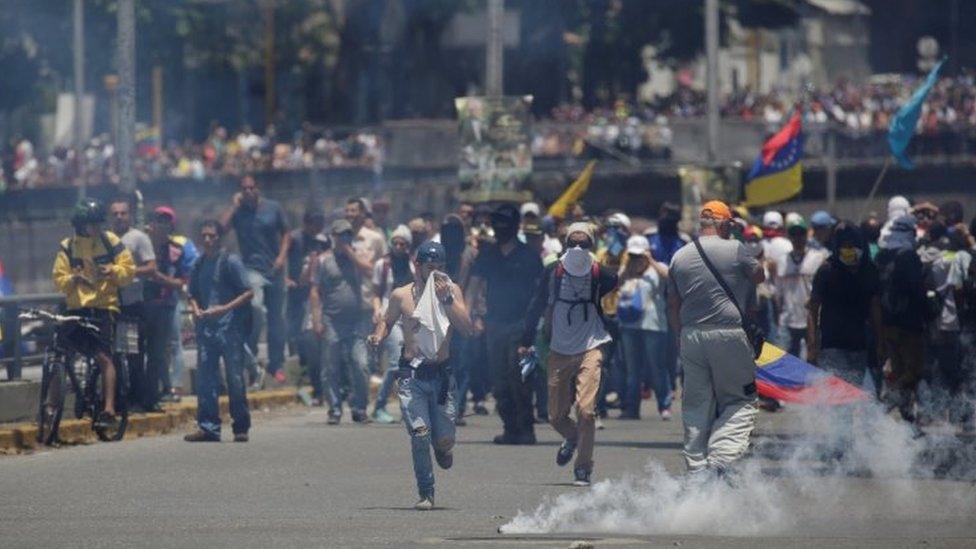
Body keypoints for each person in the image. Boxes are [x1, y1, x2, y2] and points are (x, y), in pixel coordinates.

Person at [367, 241, 474, 511]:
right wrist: (377, 337)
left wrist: (447, 300)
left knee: (443, 439)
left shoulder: (452, 292)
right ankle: (426, 492)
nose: (435, 273)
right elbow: (387, 321)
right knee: (420, 434)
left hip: (441, 378)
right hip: (412, 376)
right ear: (418, 266)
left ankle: (443, 447)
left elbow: (466, 328)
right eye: (430, 267)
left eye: (440, 268)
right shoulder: (402, 295)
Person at [667, 200, 764, 476]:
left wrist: (679, 337)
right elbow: (759, 275)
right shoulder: (735, 248)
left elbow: (672, 304)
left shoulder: (679, 256)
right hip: (729, 334)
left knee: (696, 404)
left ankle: (697, 471)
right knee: (740, 400)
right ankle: (721, 458)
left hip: (691, 335)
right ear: (723, 223)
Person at [520, 222, 617, 486]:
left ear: (591, 245)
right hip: (560, 346)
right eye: (572, 243)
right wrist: (526, 338)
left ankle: (583, 467)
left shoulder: (599, 272)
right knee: (555, 415)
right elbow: (537, 302)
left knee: (586, 411)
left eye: (583, 243)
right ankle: (572, 437)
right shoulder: (553, 271)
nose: (577, 248)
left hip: (591, 343)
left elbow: (614, 278)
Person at [52, 198, 135, 428]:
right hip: (76, 308)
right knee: (60, 353)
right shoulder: (68, 247)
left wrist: (113, 270)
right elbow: (58, 280)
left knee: (103, 357)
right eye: (92, 224)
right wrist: (73, 278)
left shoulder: (110, 241)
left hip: (104, 307)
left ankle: (109, 410)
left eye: (99, 223)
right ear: (80, 224)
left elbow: (129, 270)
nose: (97, 228)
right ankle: (52, 406)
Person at [467, 203, 544, 445]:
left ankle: (526, 429)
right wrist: (469, 315)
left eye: (503, 223)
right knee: (498, 380)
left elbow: (540, 294)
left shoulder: (529, 256)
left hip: (523, 326)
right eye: (495, 223)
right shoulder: (488, 254)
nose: (499, 228)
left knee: (520, 378)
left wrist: (537, 325)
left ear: (514, 226)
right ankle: (510, 428)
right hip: (494, 325)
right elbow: (474, 285)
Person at [807, 222, 883, 446]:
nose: (849, 250)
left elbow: (875, 308)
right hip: (831, 344)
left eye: (853, 245)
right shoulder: (827, 270)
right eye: (845, 246)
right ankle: (841, 444)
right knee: (839, 396)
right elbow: (812, 308)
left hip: (858, 345)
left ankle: (844, 442)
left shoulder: (869, 271)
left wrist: (881, 341)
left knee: (852, 396)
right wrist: (812, 345)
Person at [184, 220, 253, 442]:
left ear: (219, 238)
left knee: (234, 378)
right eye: (203, 236)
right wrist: (195, 310)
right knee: (206, 380)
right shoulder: (199, 264)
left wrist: (223, 309)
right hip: (206, 330)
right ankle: (208, 427)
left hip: (230, 328)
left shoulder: (231, 262)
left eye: (211, 236)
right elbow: (192, 293)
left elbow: (248, 292)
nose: (207, 240)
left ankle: (240, 427)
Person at [220, 174, 290, 384]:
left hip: (275, 269)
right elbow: (220, 229)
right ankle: (251, 362)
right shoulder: (239, 211)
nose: (248, 192)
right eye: (244, 189)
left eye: (251, 188)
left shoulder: (273, 207)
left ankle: (275, 365)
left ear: (258, 189)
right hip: (252, 270)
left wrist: (281, 258)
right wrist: (233, 206)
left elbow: (286, 233)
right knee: (256, 310)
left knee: (278, 319)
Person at [309, 219, 373, 424]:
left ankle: (360, 408)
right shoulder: (323, 260)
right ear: (333, 237)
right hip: (332, 320)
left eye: (348, 234)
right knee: (330, 367)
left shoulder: (358, 256)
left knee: (360, 364)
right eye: (341, 235)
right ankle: (334, 409)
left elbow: (369, 271)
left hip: (356, 320)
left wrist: (349, 253)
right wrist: (316, 320)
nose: (345, 238)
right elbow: (314, 291)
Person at [142, 207, 196, 411]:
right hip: (147, 303)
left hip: (168, 303)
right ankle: (164, 385)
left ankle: (175, 386)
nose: (161, 225)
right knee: (155, 349)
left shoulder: (177, 249)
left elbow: (182, 281)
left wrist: (161, 279)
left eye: (166, 222)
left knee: (174, 344)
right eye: (158, 221)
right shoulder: (145, 243)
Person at [876, 215, 927, 422]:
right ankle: (891, 399)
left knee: (899, 370)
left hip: (887, 323)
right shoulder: (909, 256)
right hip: (909, 326)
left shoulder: (882, 255)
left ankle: (907, 419)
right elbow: (917, 291)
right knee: (914, 371)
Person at [109, 197, 157, 410]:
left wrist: (126, 272)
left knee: (134, 354)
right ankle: (119, 399)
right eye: (115, 214)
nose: (119, 217)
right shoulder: (105, 239)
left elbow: (151, 268)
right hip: (110, 305)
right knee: (113, 355)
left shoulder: (139, 238)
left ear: (129, 215)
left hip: (133, 304)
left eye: (123, 213)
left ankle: (139, 399)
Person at [617, 235, 672, 420]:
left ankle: (664, 405)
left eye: (639, 255)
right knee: (632, 370)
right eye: (633, 255)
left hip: (653, 325)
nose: (636, 258)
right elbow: (616, 281)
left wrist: (650, 261)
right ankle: (632, 409)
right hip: (629, 325)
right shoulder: (627, 269)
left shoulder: (658, 268)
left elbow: (670, 277)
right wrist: (628, 266)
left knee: (657, 368)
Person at [370, 225, 415, 424]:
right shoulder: (383, 265)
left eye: (402, 243)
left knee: (410, 363)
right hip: (389, 316)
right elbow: (376, 293)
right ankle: (379, 406)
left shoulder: (414, 264)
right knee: (396, 362)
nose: (398, 246)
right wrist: (377, 309)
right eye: (395, 242)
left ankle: (409, 408)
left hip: (409, 317)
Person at [775, 216, 827, 358]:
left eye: (801, 233)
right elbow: (778, 294)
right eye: (794, 234)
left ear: (806, 234)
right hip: (788, 318)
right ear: (789, 236)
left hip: (811, 318)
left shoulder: (819, 257)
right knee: (786, 362)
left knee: (812, 361)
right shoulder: (782, 260)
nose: (797, 238)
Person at [286, 209, 326, 361]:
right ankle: (295, 356)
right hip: (295, 287)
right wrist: (285, 278)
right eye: (315, 224)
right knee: (294, 321)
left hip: (312, 288)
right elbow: (282, 257)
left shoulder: (320, 240)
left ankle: (309, 356)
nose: (318, 228)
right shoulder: (294, 238)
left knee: (308, 323)